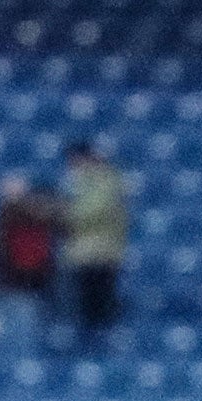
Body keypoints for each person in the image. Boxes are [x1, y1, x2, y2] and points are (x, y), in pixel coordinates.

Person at [62, 141, 128, 333]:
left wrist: (58, 211)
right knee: (81, 309)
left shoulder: (105, 181)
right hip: (81, 256)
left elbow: (88, 212)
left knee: (99, 308)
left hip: (100, 255)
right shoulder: (79, 183)